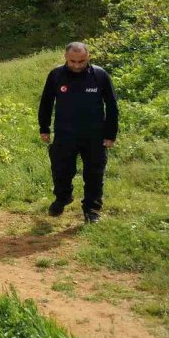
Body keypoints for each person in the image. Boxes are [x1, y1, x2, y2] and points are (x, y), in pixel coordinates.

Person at [38, 42, 119, 223]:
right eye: (72, 61)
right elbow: (46, 103)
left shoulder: (99, 75)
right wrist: (44, 128)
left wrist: (110, 134)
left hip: (94, 136)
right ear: (66, 58)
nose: (76, 65)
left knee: (94, 174)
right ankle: (63, 197)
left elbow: (112, 106)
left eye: (81, 61)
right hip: (64, 134)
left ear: (88, 57)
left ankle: (92, 210)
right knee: (61, 171)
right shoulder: (56, 75)